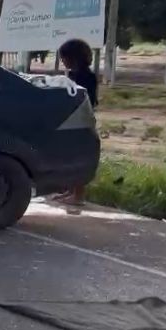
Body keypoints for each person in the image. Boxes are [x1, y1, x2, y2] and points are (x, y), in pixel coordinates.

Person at [56, 38, 98, 205]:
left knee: (78, 157)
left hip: (81, 120)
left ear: (73, 57)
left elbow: (89, 100)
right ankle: (70, 191)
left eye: (64, 58)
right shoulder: (73, 75)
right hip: (71, 120)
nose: (62, 61)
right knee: (69, 157)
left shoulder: (86, 77)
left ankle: (78, 195)